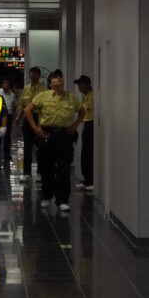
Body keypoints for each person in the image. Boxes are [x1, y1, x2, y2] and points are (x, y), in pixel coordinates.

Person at [25, 69, 84, 213]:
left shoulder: (71, 97)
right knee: (46, 166)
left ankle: (62, 200)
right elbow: (28, 110)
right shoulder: (43, 96)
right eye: (56, 78)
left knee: (64, 168)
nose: (59, 79)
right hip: (47, 134)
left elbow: (82, 111)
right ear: (51, 83)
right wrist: (34, 128)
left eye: (61, 77)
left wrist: (75, 125)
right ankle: (47, 195)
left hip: (65, 135)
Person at [15, 66, 45, 181]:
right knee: (27, 147)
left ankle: (40, 172)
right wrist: (18, 117)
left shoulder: (44, 89)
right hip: (28, 119)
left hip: (40, 119)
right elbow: (22, 104)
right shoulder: (26, 89)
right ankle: (27, 173)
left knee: (41, 146)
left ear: (38, 75)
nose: (31, 76)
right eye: (31, 73)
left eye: (34, 74)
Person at [73, 75, 95, 192]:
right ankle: (86, 180)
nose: (79, 87)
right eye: (78, 85)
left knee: (89, 154)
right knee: (84, 154)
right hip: (86, 125)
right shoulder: (85, 97)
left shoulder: (92, 96)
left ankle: (91, 180)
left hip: (92, 125)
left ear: (87, 84)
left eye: (81, 84)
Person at [0, 77, 17, 162]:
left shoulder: (12, 95)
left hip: (8, 117)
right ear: (2, 85)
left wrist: (10, 114)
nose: (6, 85)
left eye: (8, 83)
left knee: (7, 137)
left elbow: (14, 106)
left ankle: (7, 154)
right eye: (5, 83)